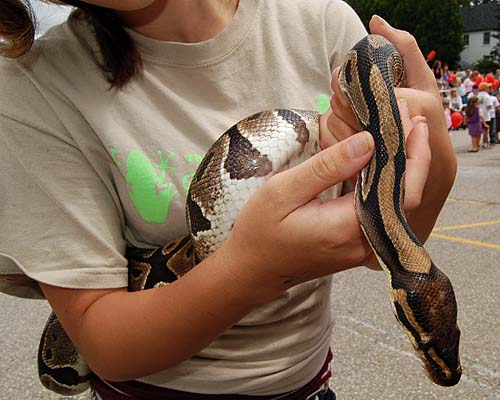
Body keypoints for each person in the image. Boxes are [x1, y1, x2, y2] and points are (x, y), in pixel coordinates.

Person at [0, 1, 456, 399]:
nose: (429, 357)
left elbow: (390, 249)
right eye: (426, 347)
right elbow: (104, 346)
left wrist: (439, 155)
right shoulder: (31, 82)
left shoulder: (323, 22)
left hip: (309, 386)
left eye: (428, 347)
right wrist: (250, 270)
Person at [477, 82, 493, 148]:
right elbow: (489, 105)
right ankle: (485, 142)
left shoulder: (478, 95)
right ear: (485, 88)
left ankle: (477, 143)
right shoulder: (487, 96)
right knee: (485, 130)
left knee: (479, 130)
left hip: (479, 115)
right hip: (486, 115)